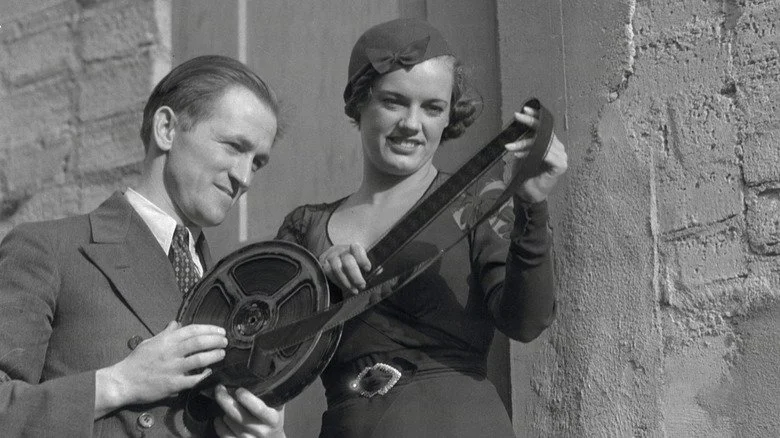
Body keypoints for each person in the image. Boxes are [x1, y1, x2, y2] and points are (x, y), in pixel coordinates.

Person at [275, 18, 568, 437]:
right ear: (360, 102)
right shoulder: (305, 227)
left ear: (450, 114)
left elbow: (526, 321)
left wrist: (532, 203)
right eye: (394, 101)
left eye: (432, 107)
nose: (412, 124)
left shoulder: (476, 203)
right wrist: (316, 278)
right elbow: (265, 361)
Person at [0, 55, 285, 437]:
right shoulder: (49, 249)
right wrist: (120, 382)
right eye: (234, 146)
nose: (244, 176)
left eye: (258, 162)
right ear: (166, 128)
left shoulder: (244, 297)